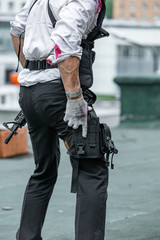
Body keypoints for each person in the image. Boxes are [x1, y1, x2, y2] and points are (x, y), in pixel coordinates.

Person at [10, 0, 109, 239]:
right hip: (59, 93)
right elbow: (65, 45)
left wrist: (34, 69)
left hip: (30, 92)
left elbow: (16, 30)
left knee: (43, 170)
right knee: (91, 169)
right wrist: (74, 98)